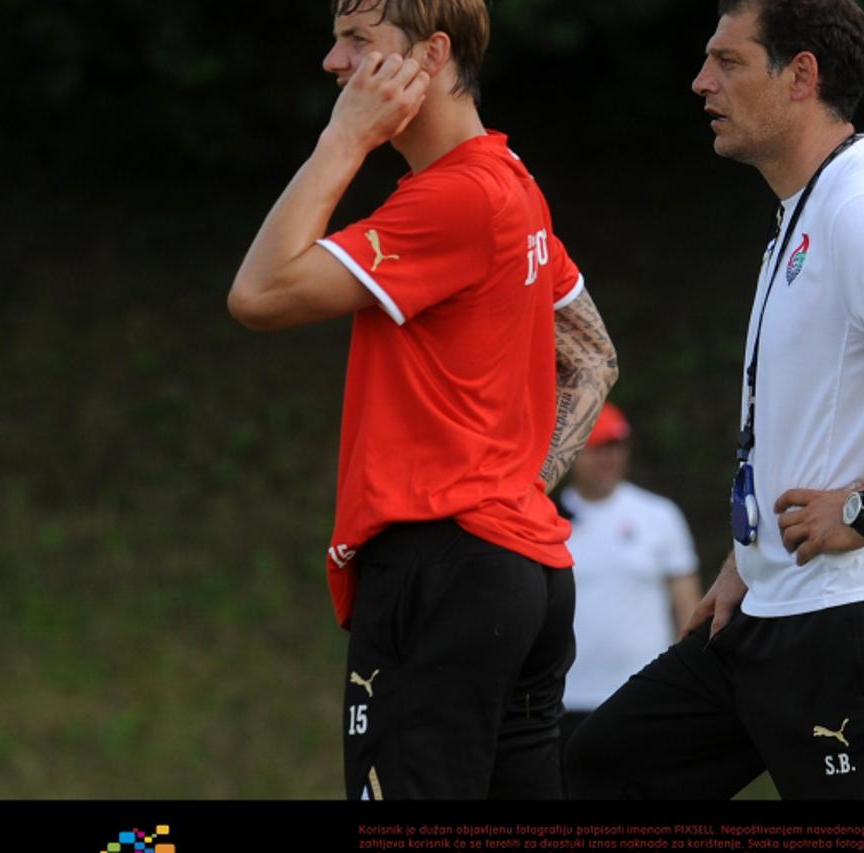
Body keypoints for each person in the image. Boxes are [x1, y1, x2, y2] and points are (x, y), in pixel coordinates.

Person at [565, 0, 864, 800]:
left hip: (852, 609)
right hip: (777, 602)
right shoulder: (803, 213)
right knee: (607, 767)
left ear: (801, 76)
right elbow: (814, 420)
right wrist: (746, 560)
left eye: (727, 61)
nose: (700, 82)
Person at [227, 0, 617, 800]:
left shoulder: (453, 198)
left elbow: (259, 292)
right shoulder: (512, 183)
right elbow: (595, 353)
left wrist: (344, 138)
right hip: (523, 569)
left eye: (357, 42)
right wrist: (517, 487)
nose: (335, 63)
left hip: (444, 564)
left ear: (430, 54)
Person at [557, 403, 702, 754]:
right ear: (572, 452)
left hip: (641, 694)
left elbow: (689, 610)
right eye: (596, 448)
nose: (607, 459)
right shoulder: (548, 518)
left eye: (615, 446)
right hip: (565, 698)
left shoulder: (659, 515)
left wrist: (690, 684)